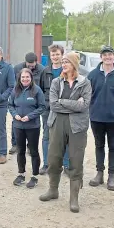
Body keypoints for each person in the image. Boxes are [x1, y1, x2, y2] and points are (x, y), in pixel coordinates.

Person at [39, 52, 91, 213]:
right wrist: (73, 103)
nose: (64, 64)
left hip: (77, 126)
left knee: (76, 160)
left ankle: (74, 198)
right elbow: (53, 104)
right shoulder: (56, 82)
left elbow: (85, 105)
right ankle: (53, 189)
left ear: (74, 64)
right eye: (63, 62)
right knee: (54, 158)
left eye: (67, 62)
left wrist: (65, 102)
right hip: (57, 123)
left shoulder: (85, 83)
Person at [86, 45, 114, 190]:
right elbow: (87, 96)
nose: (108, 57)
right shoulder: (92, 75)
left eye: (110, 55)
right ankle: (99, 173)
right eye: (105, 55)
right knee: (99, 145)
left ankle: (111, 175)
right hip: (96, 117)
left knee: (113, 146)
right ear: (101, 57)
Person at [8, 68, 45, 188]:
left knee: (33, 151)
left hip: (32, 126)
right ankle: (21, 173)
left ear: (31, 78)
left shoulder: (37, 90)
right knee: (20, 150)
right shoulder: (16, 89)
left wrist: (30, 116)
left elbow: (42, 107)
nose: (25, 79)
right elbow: (10, 105)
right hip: (18, 126)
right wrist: (15, 115)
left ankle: (35, 176)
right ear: (19, 78)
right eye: (23, 77)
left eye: (27, 77)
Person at [39, 44, 70, 175]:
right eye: (53, 55)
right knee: (47, 136)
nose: (55, 57)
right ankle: (46, 164)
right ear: (50, 56)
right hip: (48, 110)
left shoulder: (68, 71)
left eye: (57, 54)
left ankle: (67, 165)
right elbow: (40, 90)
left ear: (62, 55)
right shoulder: (45, 72)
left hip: (64, 110)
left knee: (65, 137)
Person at [10, 52, 42, 155]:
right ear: (25, 62)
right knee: (15, 123)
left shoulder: (42, 69)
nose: (30, 66)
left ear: (36, 62)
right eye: (29, 64)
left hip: (34, 98)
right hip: (20, 97)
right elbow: (15, 83)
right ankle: (15, 144)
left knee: (32, 125)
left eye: (32, 65)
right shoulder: (17, 68)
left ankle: (30, 146)